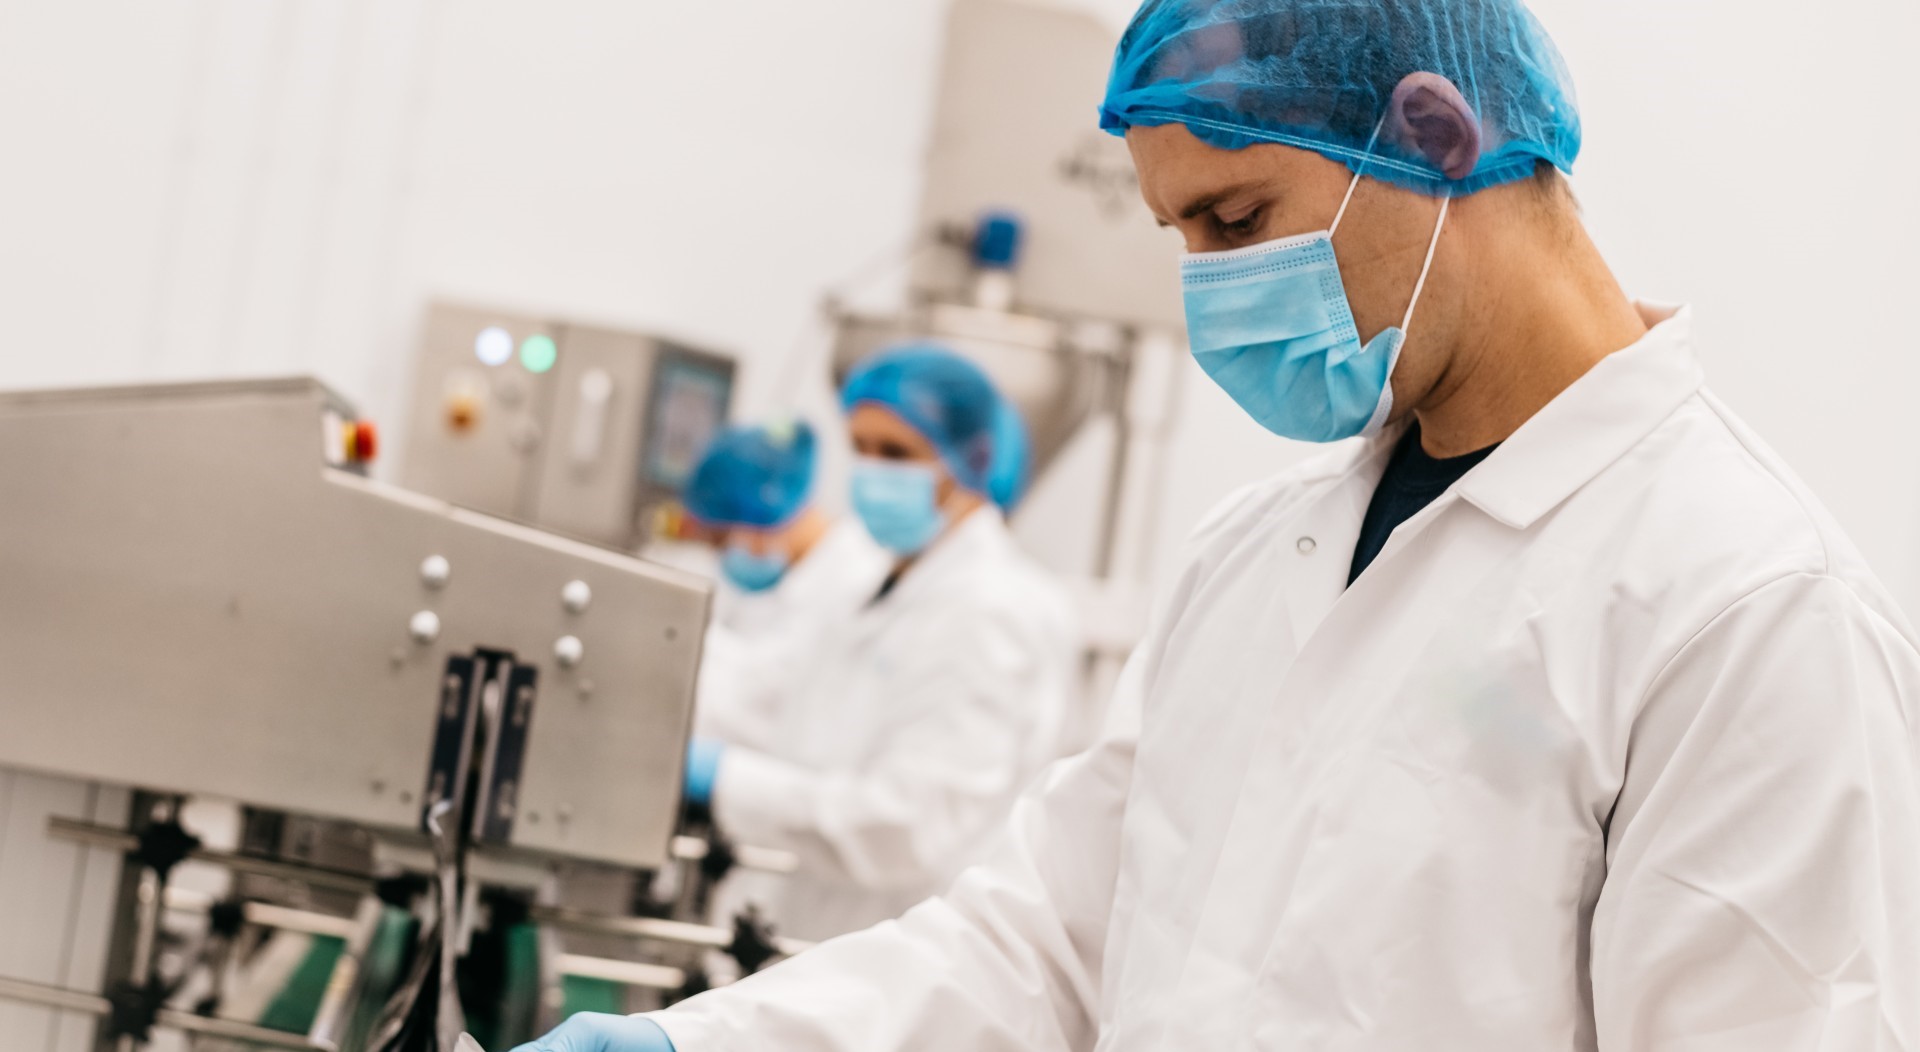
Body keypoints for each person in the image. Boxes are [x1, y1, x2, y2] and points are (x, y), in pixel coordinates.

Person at [517, 1, 1920, 1048]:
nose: (1211, 292)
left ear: (1436, 135)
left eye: (1237, 219)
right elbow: (1047, 946)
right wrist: (688, 1044)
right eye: (1181, 236)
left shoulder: (1743, 606)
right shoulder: (1261, 553)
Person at [676, 344, 1081, 944]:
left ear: (970, 459)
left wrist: (726, 780)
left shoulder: (995, 612)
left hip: (901, 967)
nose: (872, 471)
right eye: (860, 448)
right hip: (812, 939)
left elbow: (905, 826)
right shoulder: (872, 584)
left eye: (896, 453)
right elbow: (772, 692)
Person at [678, 420, 892, 751]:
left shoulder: (856, 584)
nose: (719, 555)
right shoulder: (788, 579)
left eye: (721, 539)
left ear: (762, 516)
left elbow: (770, 710)